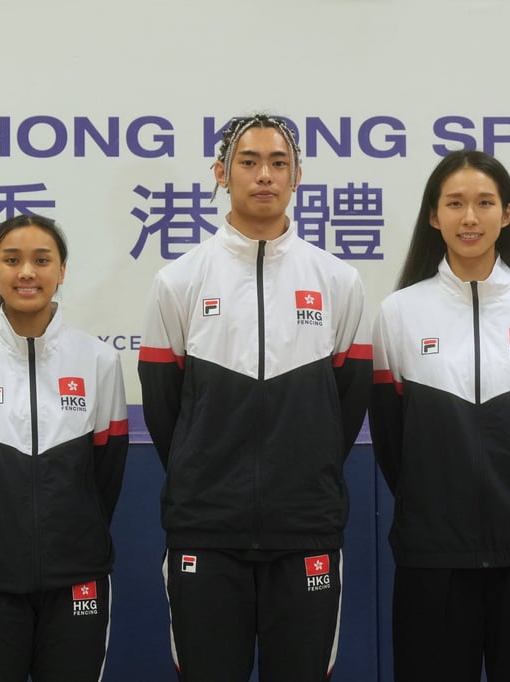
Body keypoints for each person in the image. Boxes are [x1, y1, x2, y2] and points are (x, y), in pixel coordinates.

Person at [137, 113, 372, 682]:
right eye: (249, 162)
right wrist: (204, 473)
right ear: (221, 173)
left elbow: (345, 405)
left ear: (297, 176)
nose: (264, 175)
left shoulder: (338, 281)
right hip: (206, 530)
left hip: (305, 528)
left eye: (278, 163)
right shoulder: (179, 281)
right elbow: (166, 410)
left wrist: (305, 471)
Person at [369, 150, 510, 682]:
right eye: (455, 203)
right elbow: (394, 444)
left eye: (485, 203)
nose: (470, 217)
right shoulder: (398, 314)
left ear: (507, 214)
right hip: (433, 557)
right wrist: (435, 509)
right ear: (433, 215)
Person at [0, 214, 129, 682]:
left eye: (42, 260)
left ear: (62, 271)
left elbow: (106, 476)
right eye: (12, 260)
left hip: (77, 580)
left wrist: (74, 538)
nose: (27, 273)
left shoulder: (99, 362)